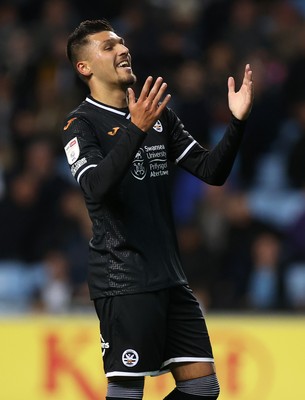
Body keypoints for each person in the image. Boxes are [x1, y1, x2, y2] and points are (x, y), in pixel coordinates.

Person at [62, 19, 253, 400]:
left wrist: (236, 123)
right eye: (108, 46)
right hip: (122, 279)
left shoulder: (157, 114)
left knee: (202, 388)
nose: (122, 50)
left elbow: (211, 171)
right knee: (128, 392)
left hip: (169, 274)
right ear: (84, 67)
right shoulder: (80, 125)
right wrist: (135, 128)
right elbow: (96, 188)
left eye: (121, 43)